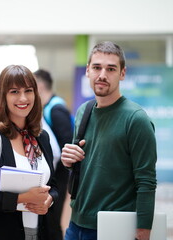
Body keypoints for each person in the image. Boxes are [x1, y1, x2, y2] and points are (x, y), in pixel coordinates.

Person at [61, 41, 157, 240]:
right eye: (97, 67)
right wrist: (68, 161)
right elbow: (86, 167)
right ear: (88, 71)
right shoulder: (83, 112)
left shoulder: (136, 119)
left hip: (114, 227)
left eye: (111, 69)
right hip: (76, 223)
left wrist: (143, 230)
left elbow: (146, 181)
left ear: (122, 73)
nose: (102, 75)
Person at [0, 65, 59, 240]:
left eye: (28, 90)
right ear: (3, 96)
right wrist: (23, 198)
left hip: (40, 231)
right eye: (14, 91)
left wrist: (48, 200)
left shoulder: (41, 137)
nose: (23, 98)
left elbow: (53, 185)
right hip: (2, 232)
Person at [34, 69, 73, 240]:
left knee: (52, 221)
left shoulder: (56, 109)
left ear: (40, 86)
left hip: (59, 174)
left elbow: (67, 145)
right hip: (53, 174)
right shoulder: (49, 107)